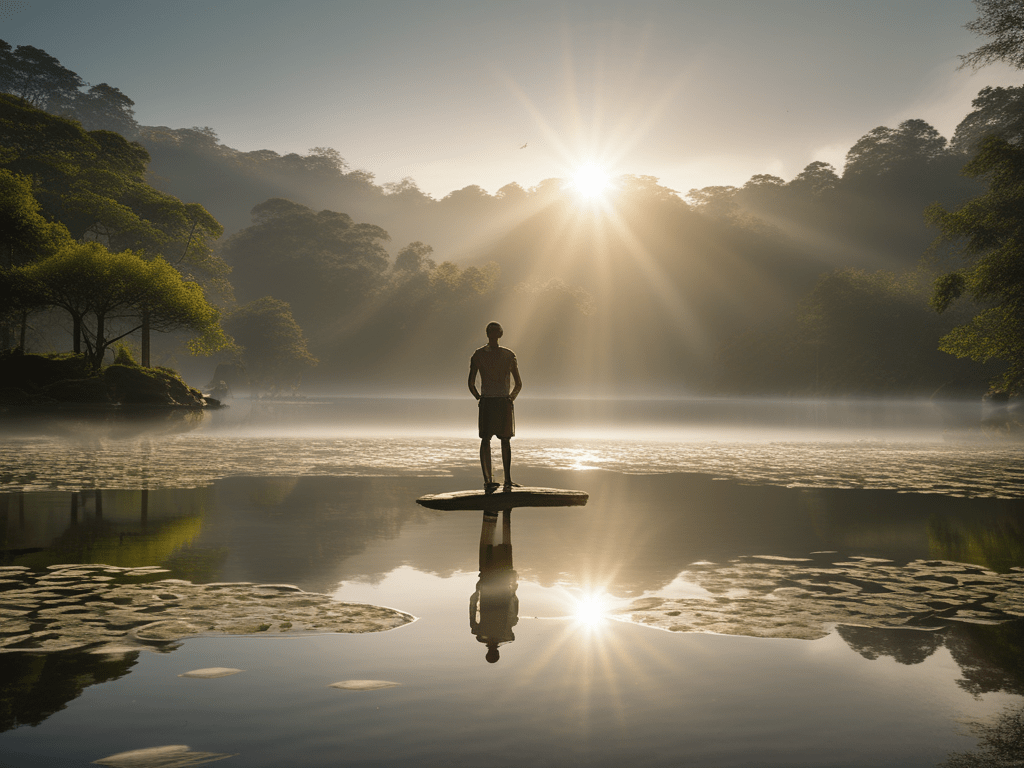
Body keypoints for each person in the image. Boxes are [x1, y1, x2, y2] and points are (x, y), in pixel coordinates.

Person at [468, 322, 522, 491]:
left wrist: (510, 398)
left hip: (500, 401)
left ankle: (507, 480)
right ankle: (488, 480)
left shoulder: (508, 355)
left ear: (499, 334)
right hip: (490, 401)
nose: (494, 335)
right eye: (492, 332)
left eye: (495, 331)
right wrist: (480, 398)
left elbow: (518, 384)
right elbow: (470, 383)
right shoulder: (479, 355)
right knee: (486, 440)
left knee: (503, 440)